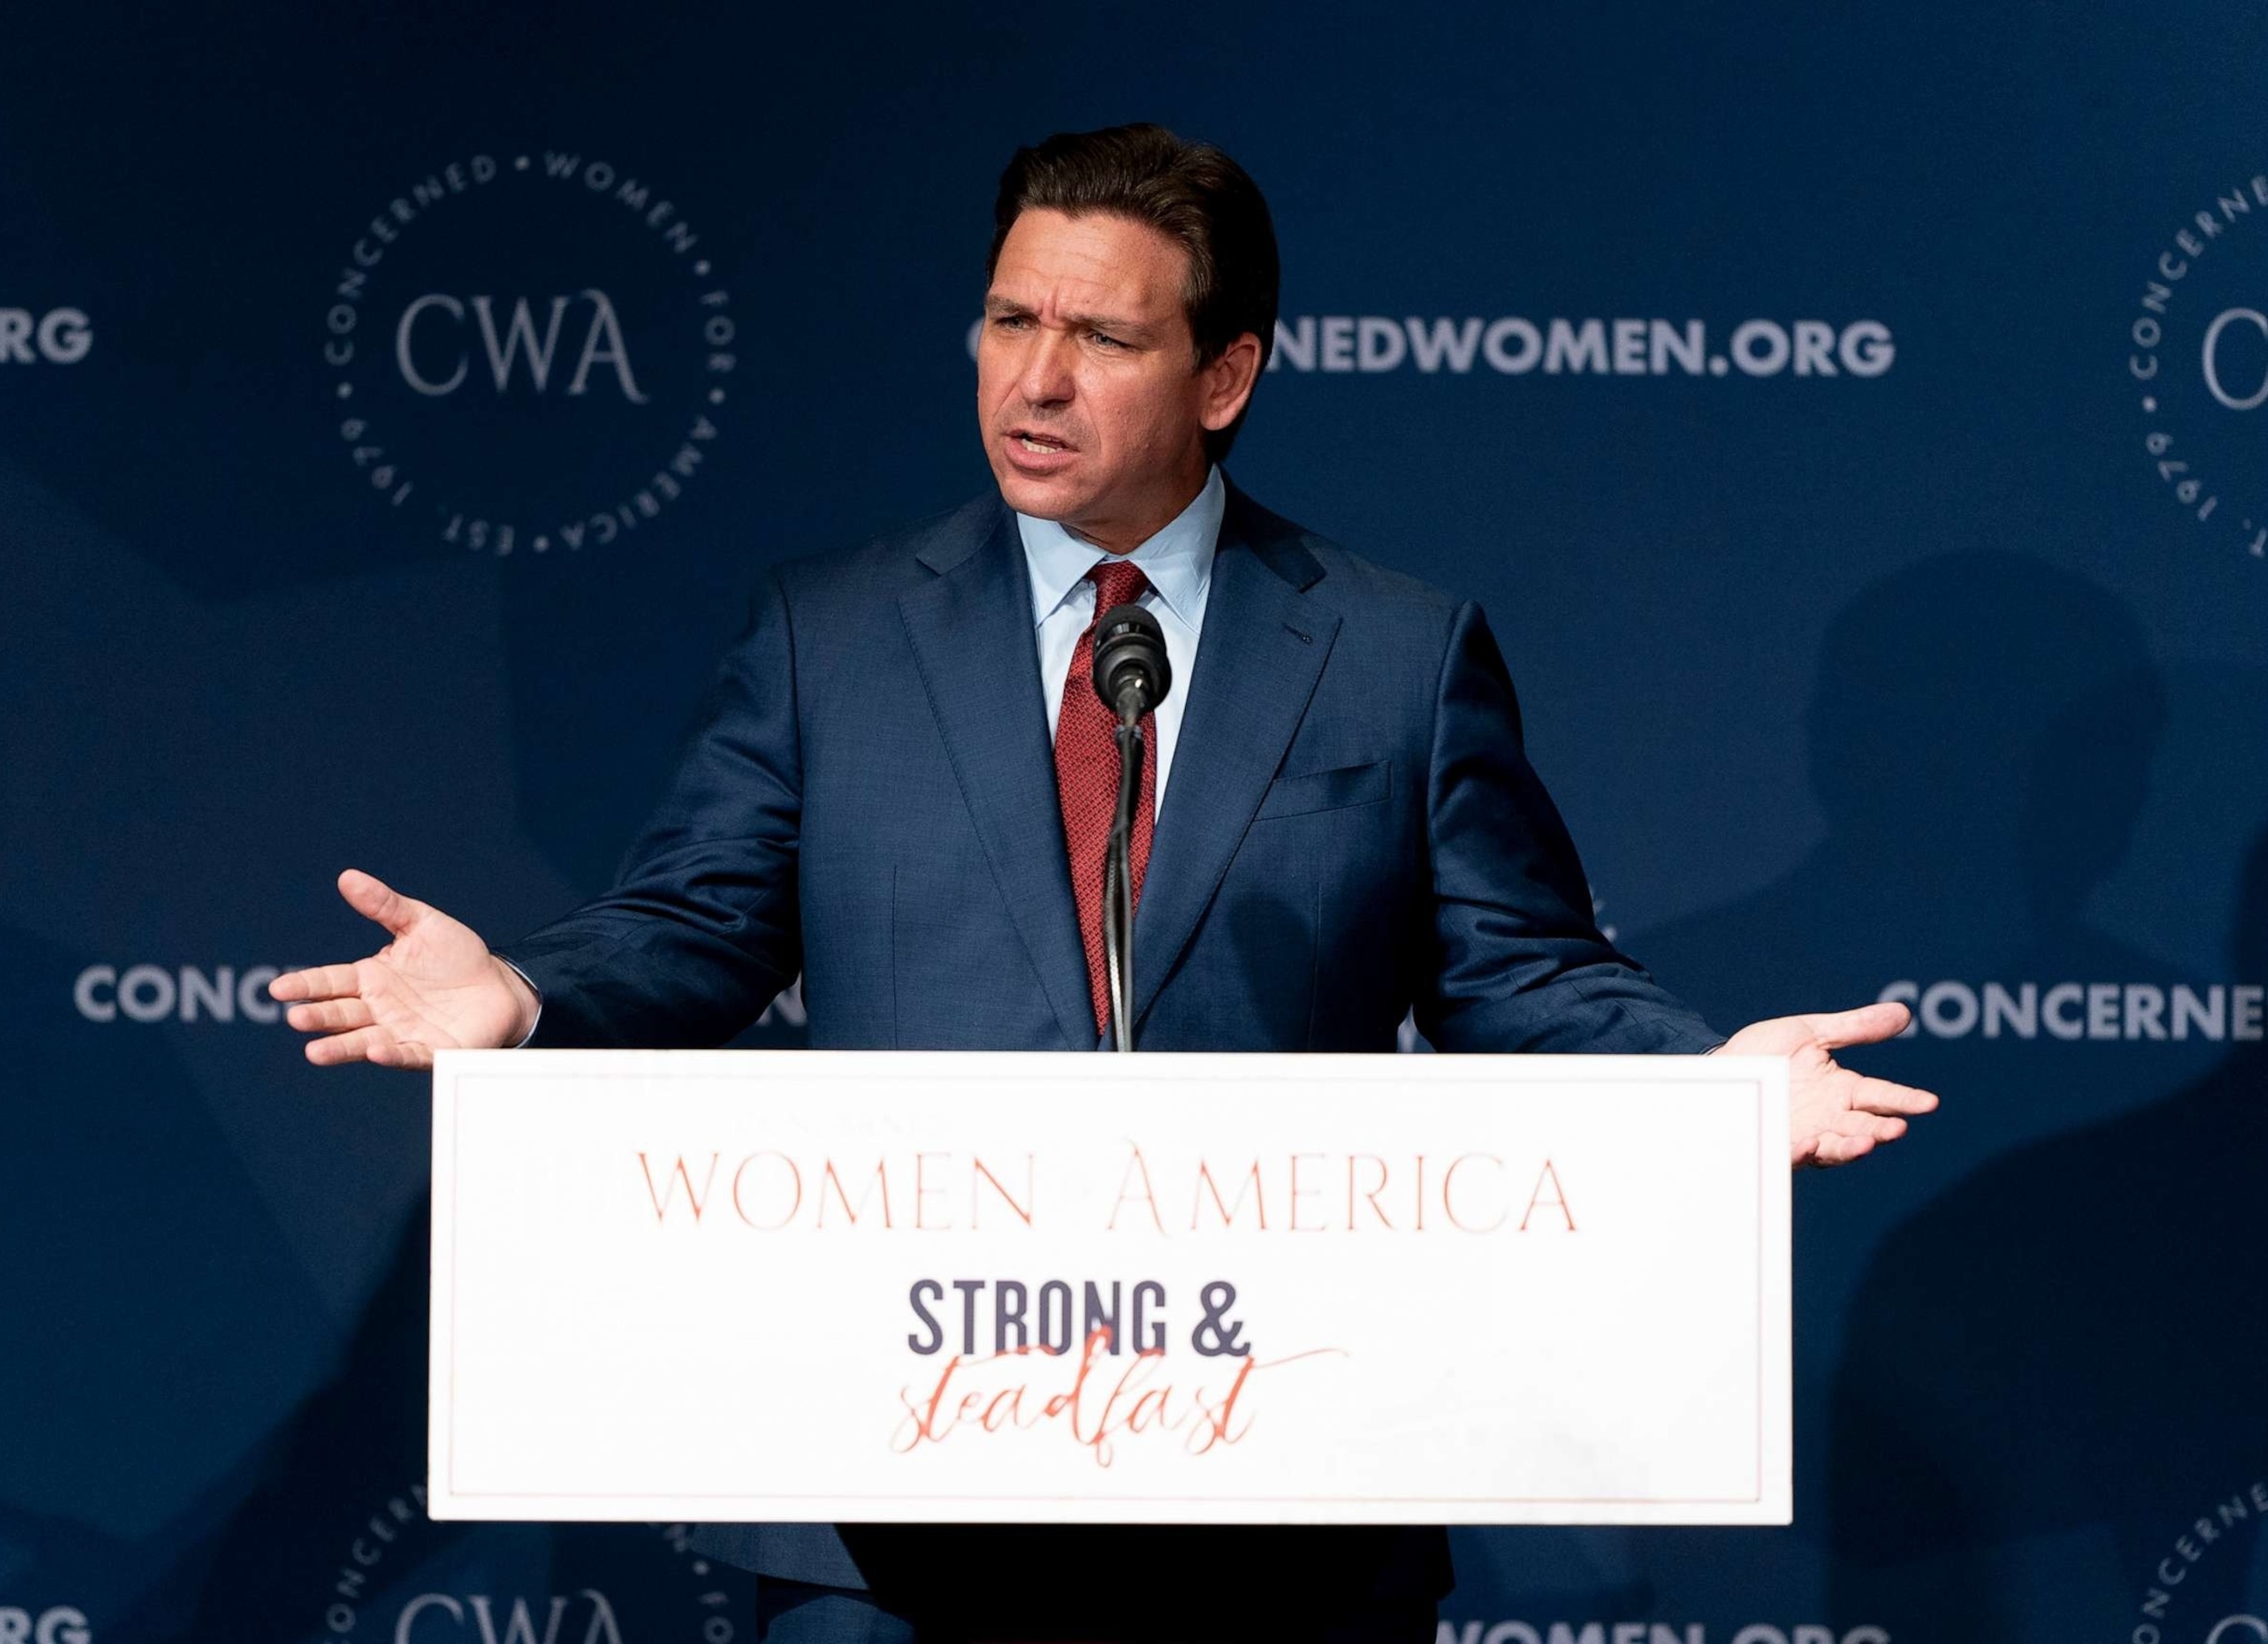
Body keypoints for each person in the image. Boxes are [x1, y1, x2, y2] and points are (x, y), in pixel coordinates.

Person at [271, 123, 1937, 1644]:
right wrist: (528, 992)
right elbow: (698, 924)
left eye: (1104, 339)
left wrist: (1700, 1094)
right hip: (897, 1515)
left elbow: (1522, 974)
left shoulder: (1393, 654)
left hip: (1275, 1504)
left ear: (1225, 375)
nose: (1035, 382)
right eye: (1009, 323)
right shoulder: (832, 634)